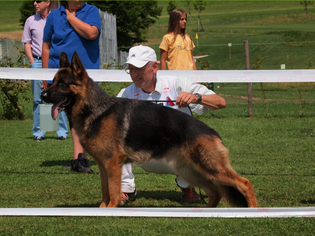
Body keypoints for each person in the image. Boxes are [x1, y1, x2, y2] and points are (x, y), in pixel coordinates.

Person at [118, 45, 226, 205]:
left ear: (154, 67)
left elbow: (220, 102)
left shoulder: (178, 84)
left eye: (139, 69)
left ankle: (188, 187)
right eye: (131, 69)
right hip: (145, 156)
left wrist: (196, 97)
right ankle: (126, 190)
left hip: (178, 156)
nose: (134, 75)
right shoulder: (126, 94)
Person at [41, 0, 101, 173]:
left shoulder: (91, 11)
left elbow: (92, 33)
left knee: (85, 114)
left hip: (82, 77)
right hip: (60, 75)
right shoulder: (53, 16)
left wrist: (71, 18)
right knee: (72, 114)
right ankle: (79, 158)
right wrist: (45, 75)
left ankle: (81, 157)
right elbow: (46, 45)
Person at [22, 0, 68, 142]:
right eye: (34, 1)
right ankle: (39, 132)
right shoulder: (30, 21)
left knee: (60, 96)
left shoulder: (57, 18)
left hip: (54, 62)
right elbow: (27, 42)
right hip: (37, 62)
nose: (35, 3)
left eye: (38, 1)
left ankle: (62, 131)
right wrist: (32, 61)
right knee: (38, 98)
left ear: (47, 2)